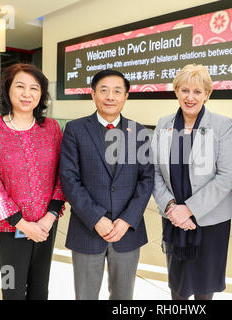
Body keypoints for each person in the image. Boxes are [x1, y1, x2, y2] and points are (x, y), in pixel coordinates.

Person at [59, 69, 154, 300]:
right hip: (87, 229)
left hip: (127, 232)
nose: (110, 96)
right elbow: (69, 179)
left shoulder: (139, 132)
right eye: (104, 90)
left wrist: (126, 220)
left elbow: (147, 179)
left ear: (125, 97)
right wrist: (96, 218)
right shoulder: (75, 129)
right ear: (93, 95)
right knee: (85, 295)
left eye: (117, 91)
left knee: (123, 297)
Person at [0, 63, 66, 300]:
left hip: (46, 224)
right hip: (9, 228)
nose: (27, 94)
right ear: (8, 89)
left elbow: (62, 175)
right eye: (20, 86)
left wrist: (49, 217)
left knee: (40, 289)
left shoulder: (52, 129)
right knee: (12, 289)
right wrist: (23, 224)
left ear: (41, 94)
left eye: (34, 88)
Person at [152, 64, 232, 300]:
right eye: (185, 90)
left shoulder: (222, 125)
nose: (190, 97)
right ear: (177, 91)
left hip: (210, 221)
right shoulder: (163, 124)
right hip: (174, 219)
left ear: (207, 95)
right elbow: (155, 172)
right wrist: (172, 208)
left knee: (204, 287)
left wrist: (189, 209)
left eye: (198, 92)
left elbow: (227, 175)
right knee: (177, 287)